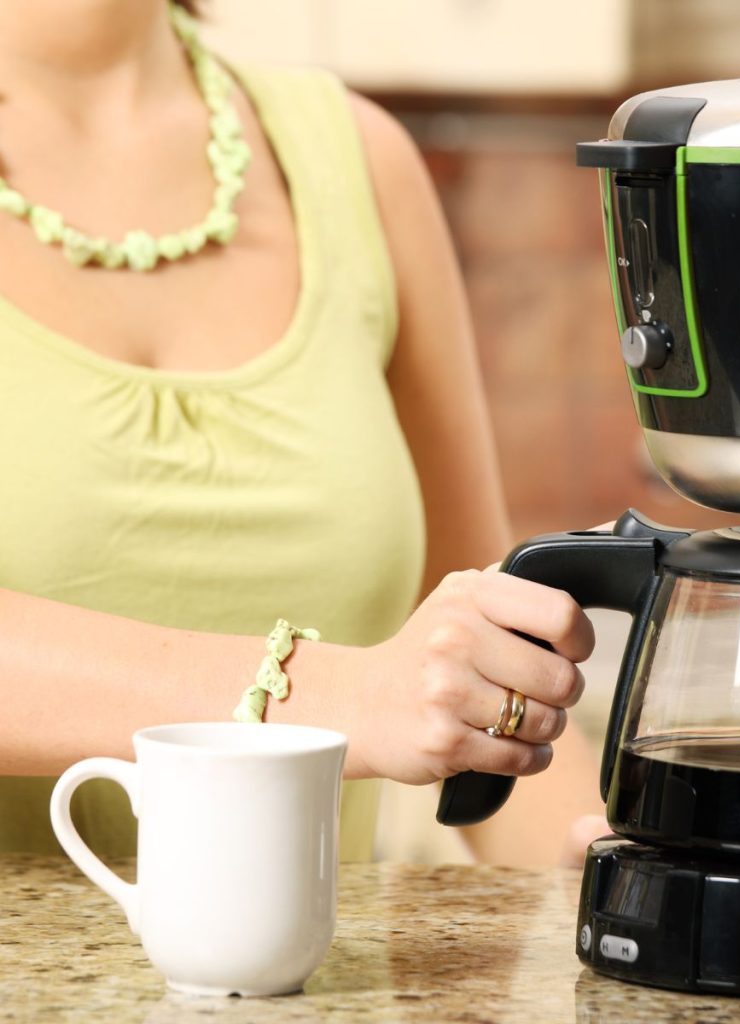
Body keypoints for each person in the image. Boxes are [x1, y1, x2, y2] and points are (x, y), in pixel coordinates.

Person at [0, 0, 606, 865]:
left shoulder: (357, 162)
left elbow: (488, 682)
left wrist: (614, 877)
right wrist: (333, 695)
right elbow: (387, 698)